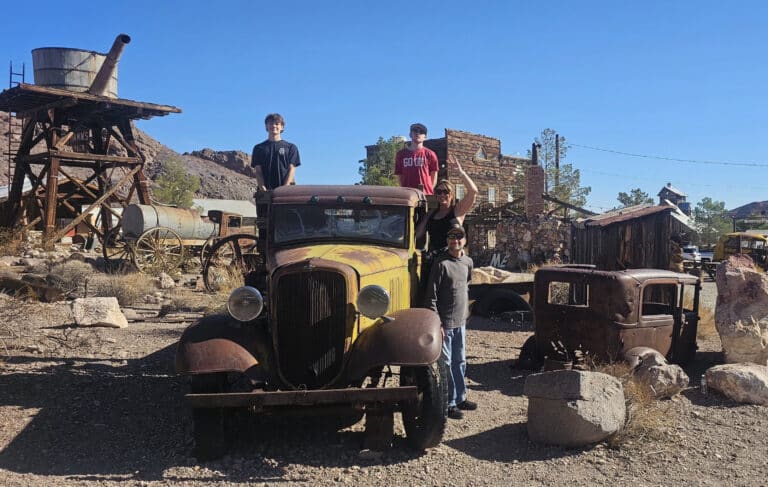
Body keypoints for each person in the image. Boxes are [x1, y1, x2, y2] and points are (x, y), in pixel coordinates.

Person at [424, 223, 477, 420]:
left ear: (465, 240)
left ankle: (461, 397)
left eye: (459, 237)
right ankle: (449, 403)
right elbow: (431, 297)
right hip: (445, 324)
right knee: (445, 364)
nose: (455, 241)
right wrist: (437, 323)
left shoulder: (468, 262)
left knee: (460, 361)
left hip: (460, 322)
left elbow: (466, 286)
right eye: (451, 238)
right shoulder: (440, 264)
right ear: (447, 241)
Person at [416, 154, 478, 251]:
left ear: (452, 195)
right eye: (439, 192)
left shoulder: (457, 211)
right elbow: (417, 234)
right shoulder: (431, 214)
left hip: (452, 257)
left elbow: (473, 191)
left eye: (445, 192)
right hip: (435, 259)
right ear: (436, 195)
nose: (442, 195)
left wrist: (460, 172)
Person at [251, 113, 301, 191]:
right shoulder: (258, 148)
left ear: (282, 127)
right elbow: (258, 171)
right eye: (270, 123)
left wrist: (284, 188)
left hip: (285, 192)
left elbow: (292, 169)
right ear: (266, 126)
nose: (274, 126)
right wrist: (262, 188)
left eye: (277, 124)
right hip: (264, 192)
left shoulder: (291, 147)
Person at [395, 123, 439, 194]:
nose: (418, 133)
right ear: (410, 134)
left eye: (421, 132)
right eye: (415, 130)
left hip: (426, 195)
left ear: (425, 137)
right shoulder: (401, 155)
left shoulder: (430, 154)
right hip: (407, 195)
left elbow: (434, 176)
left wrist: (428, 191)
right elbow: (400, 176)